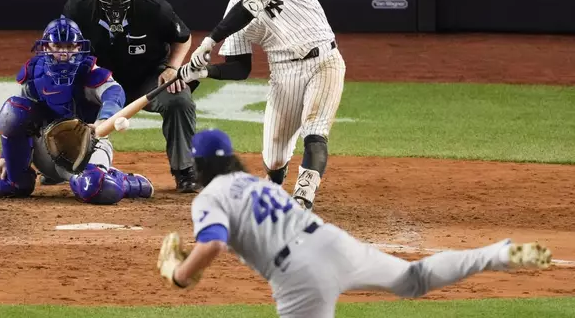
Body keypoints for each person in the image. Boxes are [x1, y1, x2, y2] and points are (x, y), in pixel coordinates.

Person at [157, 128, 553, 318]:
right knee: (413, 279)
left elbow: (214, 245)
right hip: (331, 241)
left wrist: (180, 274)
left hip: (298, 274)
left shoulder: (210, 196)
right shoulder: (259, 185)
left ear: (201, 164)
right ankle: (498, 254)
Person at [178, 0, 346, 208]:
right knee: (274, 159)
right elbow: (239, 68)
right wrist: (205, 73)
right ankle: (274, 191)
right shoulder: (232, 11)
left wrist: (210, 40)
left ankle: (303, 198)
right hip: (283, 75)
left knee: (315, 131)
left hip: (323, 61)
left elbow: (253, 4)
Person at [61, 0, 199, 193]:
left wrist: (172, 68)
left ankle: (184, 170)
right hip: (99, 82)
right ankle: (60, 163)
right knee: (60, 90)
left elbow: (183, 39)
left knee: (179, 98)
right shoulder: (77, 9)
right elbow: (64, 46)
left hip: (146, 78)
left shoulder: (155, 9)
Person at [0, 18, 154, 205]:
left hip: (86, 148)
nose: (64, 53)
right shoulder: (34, 74)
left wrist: (102, 121)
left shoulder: (88, 72)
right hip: (46, 150)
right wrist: (7, 156)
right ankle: (16, 182)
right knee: (13, 110)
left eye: (70, 46)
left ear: (79, 47)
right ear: (46, 47)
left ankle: (127, 182)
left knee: (95, 189)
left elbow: (114, 93)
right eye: (57, 46)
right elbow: (18, 120)